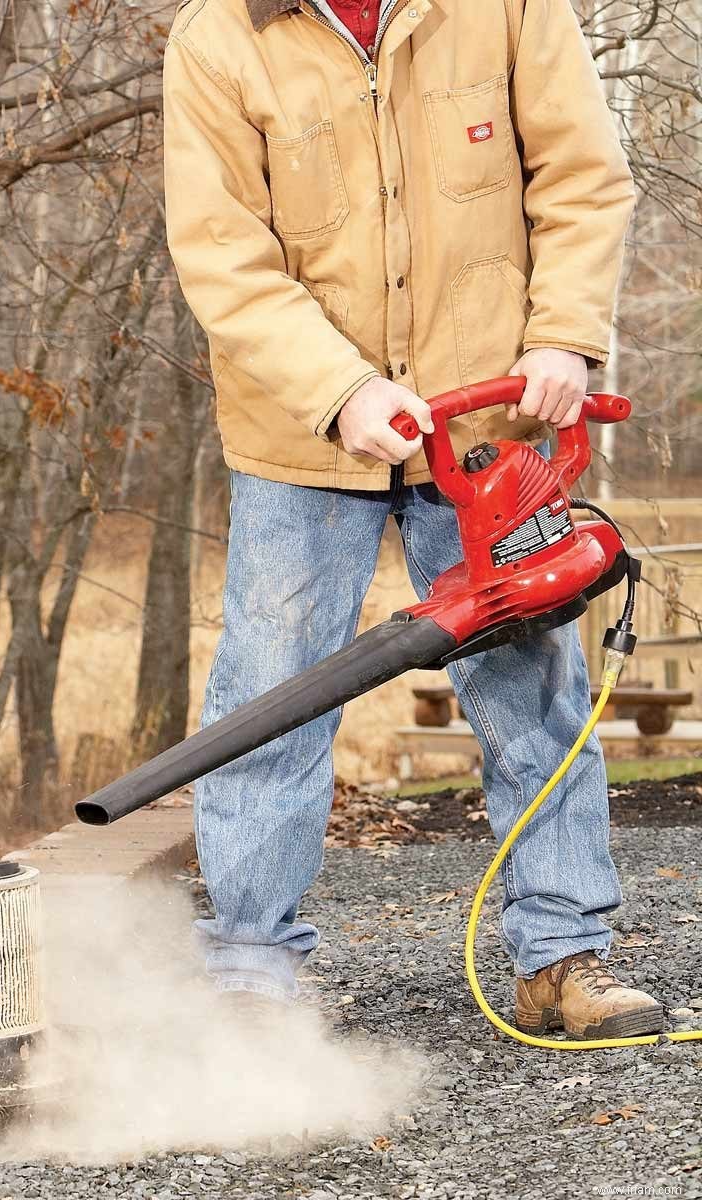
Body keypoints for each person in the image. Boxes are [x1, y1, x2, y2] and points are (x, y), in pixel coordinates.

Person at [162, 0, 666, 1038]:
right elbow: (222, 253)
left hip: (488, 424)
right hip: (304, 434)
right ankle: (252, 976)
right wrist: (341, 388)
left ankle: (562, 954)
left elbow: (581, 176)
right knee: (274, 691)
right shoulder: (218, 39)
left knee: (532, 686)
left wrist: (565, 336)